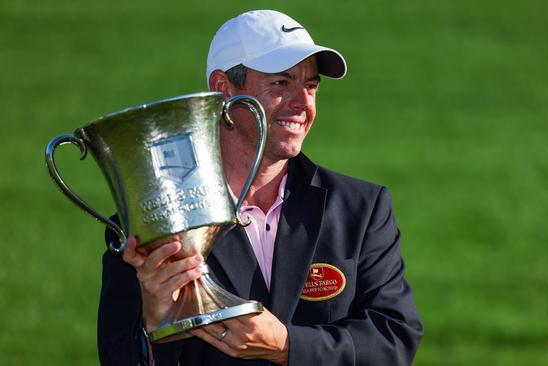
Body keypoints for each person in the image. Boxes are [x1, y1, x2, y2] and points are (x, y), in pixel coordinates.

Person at [98, 9, 422, 366]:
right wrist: (157, 322)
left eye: (311, 85)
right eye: (282, 83)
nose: (303, 103)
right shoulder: (151, 227)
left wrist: (287, 345)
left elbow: (394, 342)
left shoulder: (362, 208)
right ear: (223, 89)